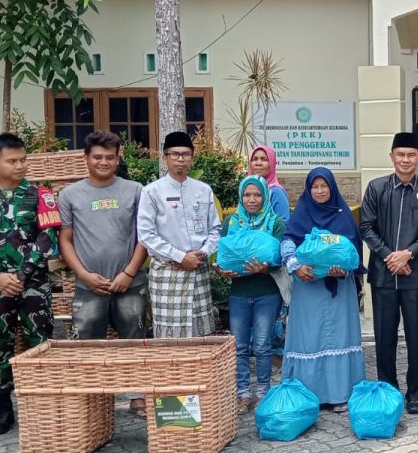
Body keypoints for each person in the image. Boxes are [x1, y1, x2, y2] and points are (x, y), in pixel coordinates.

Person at [0, 133, 58, 436]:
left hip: (33, 286)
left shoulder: (40, 194)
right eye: (12, 161)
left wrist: (22, 273)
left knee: (40, 344)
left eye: (23, 159)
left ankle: (43, 408)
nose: (19, 165)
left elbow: (49, 237)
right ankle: (3, 410)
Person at [57, 131, 149, 417]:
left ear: (118, 158)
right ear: (86, 158)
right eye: (97, 156)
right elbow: (65, 240)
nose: (104, 162)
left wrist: (129, 272)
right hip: (89, 286)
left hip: (129, 283)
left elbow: (144, 236)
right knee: (88, 341)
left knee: (133, 338)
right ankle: (94, 399)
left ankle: (136, 396)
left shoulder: (135, 190)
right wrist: (83, 275)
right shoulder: (70, 195)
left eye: (110, 157)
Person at [359, 132, 418, 415]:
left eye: (411, 155)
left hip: (416, 275)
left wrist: (407, 254)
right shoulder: (377, 188)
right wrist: (388, 256)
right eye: (400, 155)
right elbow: (367, 227)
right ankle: (388, 389)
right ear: (392, 157)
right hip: (383, 276)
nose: (406, 160)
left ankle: (416, 393)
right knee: (384, 337)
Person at [282, 168, 365, 410]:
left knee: (340, 336)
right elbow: (288, 239)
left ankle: (340, 394)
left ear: (332, 188)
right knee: (309, 338)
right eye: (314, 187)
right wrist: (295, 265)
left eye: (324, 186)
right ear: (308, 190)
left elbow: (354, 249)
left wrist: (344, 269)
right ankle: (308, 395)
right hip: (308, 288)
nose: (319, 191)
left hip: (338, 288)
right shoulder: (301, 213)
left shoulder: (343, 214)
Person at [136, 131, 222, 339]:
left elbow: (215, 229)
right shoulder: (152, 192)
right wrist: (180, 256)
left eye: (185, 154)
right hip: (168, 272)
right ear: (165, 157)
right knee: (169, 337)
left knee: (201, 333)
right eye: (175, 154)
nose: (180, 159)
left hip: (197, 268)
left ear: (193, 157)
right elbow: (146, 235)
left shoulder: (203, 190)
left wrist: (203, 252)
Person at [217, 176, 285, 413]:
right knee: (240, 346)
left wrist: (267, 266)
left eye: (257, 195)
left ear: (265, 196)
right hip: (239, 293)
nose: (252, 200)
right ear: (241, 197)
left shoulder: (275, 222)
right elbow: (223, 255)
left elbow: (279, 258)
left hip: (267, 292)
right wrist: (223, 270)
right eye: (247, 195)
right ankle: (243, 393)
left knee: (263, 344)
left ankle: (264, 391)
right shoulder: (231, 223)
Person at [248, 144, 290, 222]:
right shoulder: (246, 189)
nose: (258, 163)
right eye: (254, 159)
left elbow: (283, 224)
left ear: (272, 164)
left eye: (264, 159)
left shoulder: (276, 192)